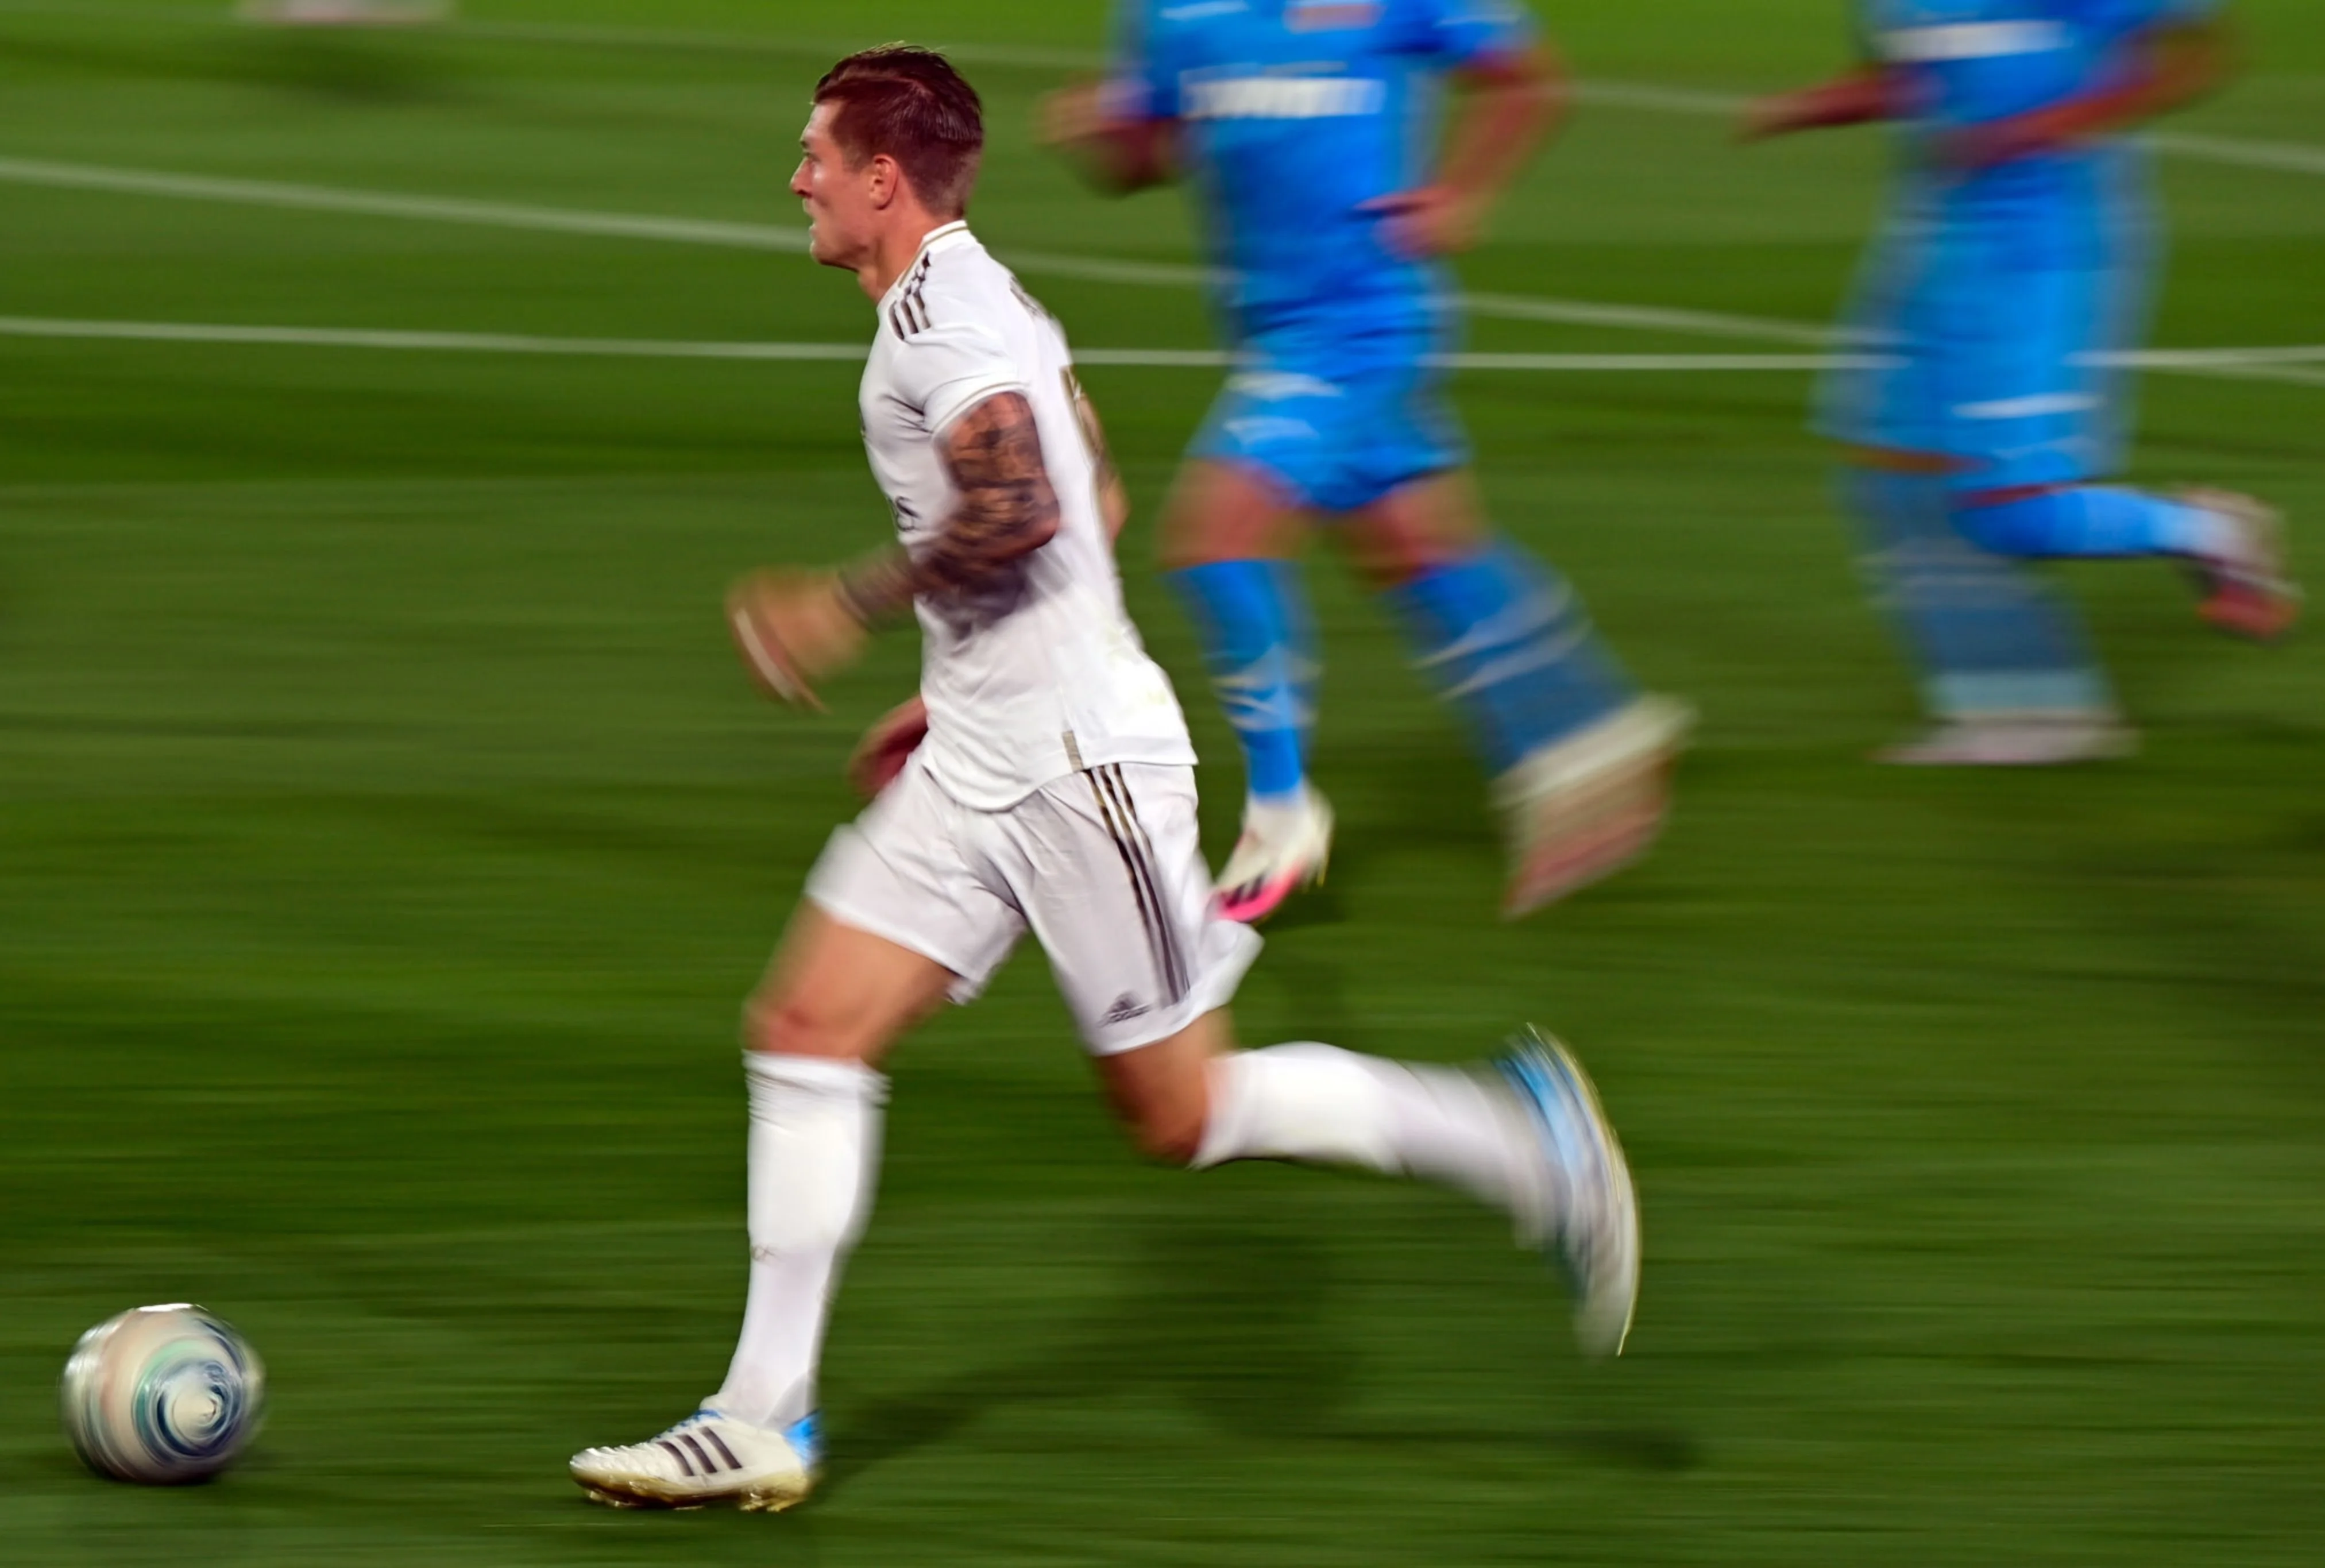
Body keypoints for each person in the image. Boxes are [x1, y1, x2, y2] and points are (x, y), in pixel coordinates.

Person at [567, 47, 1641, 1515]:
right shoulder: (976, 300)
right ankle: (761, 1417)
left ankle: (1518, 1141)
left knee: (1180, 1117)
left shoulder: (943, 325)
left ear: (883, 180)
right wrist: (952, 684)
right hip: (986, 752)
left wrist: (844, 603)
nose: (797, 177)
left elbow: (1016, 510)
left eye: (816, 154)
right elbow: (1096, 493)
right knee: (808, 1029)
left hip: (1080, 776)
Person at [1044, 1, 1691, 921]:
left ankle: (1282, 812)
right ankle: (1592, 740)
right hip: (1268, 328)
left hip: (1361, 326)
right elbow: (1149, 153)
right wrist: (1102, 134)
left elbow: (1527, 79)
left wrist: (1464, 192)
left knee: (1214, 542)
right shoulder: (1170, 13)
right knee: (1416, 552)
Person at [1747, 1, 2299, 765]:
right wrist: (1816, 106)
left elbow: (2198, 54)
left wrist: (2059, 124)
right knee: (1897, 483)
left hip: (2046, 255)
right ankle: (2020, 714)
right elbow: (1913, 76)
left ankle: (2209, 532)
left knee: (2012, 509)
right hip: (1937, 245)